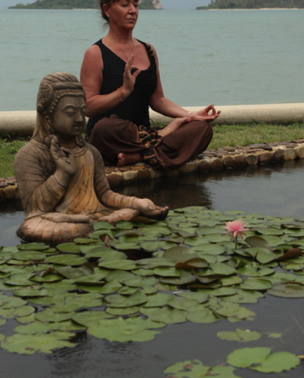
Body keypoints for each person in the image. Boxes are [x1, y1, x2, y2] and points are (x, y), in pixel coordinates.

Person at [14, 72, 168, 244]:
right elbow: (35, 209)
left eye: (82, 111)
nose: (80, 119)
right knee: (35, 228)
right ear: (48, 119)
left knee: (131, 211)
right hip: (55, 222)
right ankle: (92, 227)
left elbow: (105, 195)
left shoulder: (91, 152)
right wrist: (62, 174)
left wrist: (136, 202)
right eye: (70, 112)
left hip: (96, 216)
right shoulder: (30, 155)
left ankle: (95, 226)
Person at [80, 0, 220, 171]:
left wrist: (190, 115)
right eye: (125, 5)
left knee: (201, 129)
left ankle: (138, 155)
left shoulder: (148, 50)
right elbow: (88, 107)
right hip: (111, 138)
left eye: (136, 5)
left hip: (144, 134)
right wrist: (122, 93)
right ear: (107, 9)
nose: (132, 11)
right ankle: (160, 139)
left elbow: (158, 99)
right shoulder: (95, 53)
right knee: (104, 128)